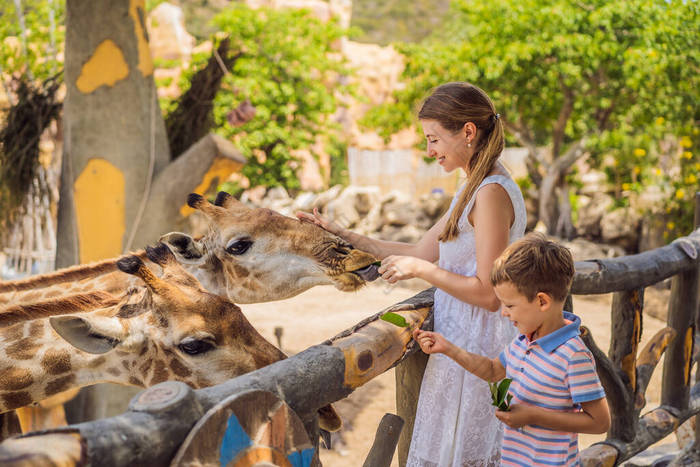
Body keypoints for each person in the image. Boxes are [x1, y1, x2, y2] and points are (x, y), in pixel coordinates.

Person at [297, 82, 527, 466]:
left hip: (478, 344)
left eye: (434, 138)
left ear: (468, 132)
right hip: (458, 339)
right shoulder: (472, 185)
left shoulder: (490, 193)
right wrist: (345, 235)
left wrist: (423, 271)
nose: (429, 150)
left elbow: (489, 294)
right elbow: (421, 249)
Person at [414, 233, 611, 466]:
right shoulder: (523, 340)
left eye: (509, 305)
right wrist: (448, 348)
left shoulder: (572, 355)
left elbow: (600, 422)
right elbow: (492, 370)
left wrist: (533, 416)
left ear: (542, 302)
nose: (504, 313)